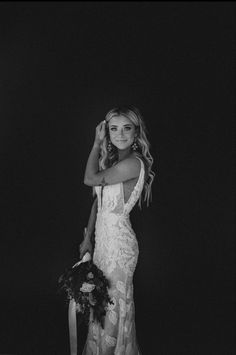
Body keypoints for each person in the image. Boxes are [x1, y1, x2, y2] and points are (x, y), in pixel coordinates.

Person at [79, 106, 155, 355]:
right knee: (99, 306)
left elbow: (89, 179)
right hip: (103, 243)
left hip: (120, 247)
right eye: (113, 129)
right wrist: (88, 238)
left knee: (113, 309)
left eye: (126, 128)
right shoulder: (113, 161)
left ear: (136, 133)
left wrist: (95, 143)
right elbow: (97, 201)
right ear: (108, 132)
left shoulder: (134, 163)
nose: (120, 134)